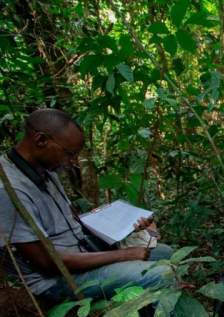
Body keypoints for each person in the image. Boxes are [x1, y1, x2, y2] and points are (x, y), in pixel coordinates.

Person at [0, 109, 174, 301]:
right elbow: (48, 262)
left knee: (166, 253)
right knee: (160, 274)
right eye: (69, 154)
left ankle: (146, 312)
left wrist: (119, 223)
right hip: (56, 281)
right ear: (41, 141)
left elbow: (68, 222)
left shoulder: (46, 171)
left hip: (85, 254)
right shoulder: (8, 189)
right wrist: (126, 254)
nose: (72, 161)